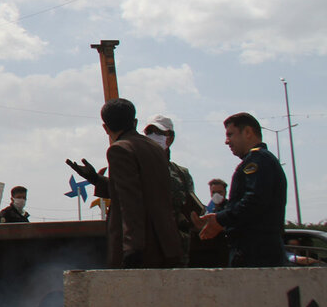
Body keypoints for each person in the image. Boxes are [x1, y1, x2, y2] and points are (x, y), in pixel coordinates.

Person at [68, 98, 180, 269]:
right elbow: (145, 188)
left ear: (105, 128)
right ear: (134, 122)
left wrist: (132, 248)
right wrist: (96, 179)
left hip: (142, 248)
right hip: (165, 243)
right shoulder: (156, 148)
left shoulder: (119, 149)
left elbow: (130, 201)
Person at [196, 112, 287, 267]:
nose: (227, 141)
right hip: (256, 250)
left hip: (256, 253)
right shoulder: (260, 159)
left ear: (248, 132)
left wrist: (221, 219)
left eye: (230, 135)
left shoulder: (257, 160)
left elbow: (255, 201)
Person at [143, 114, 196, 262]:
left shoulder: (181, 173)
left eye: (159, 133)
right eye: (150, 133)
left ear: (170, 137)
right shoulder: (138, 169)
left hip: (175, 247)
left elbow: (190, 210)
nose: (154, 136)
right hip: (147, 246)